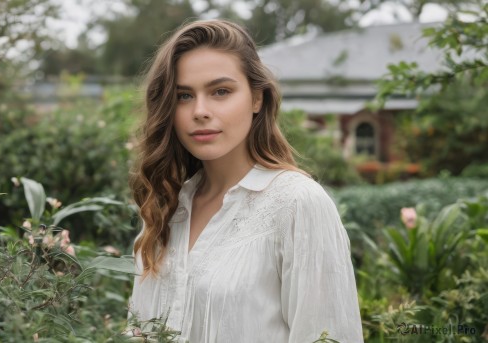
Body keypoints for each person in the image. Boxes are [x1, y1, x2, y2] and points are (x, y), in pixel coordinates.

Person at [127, 19, 363, 343]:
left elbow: (329, 335)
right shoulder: (163, 210)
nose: (200, 110)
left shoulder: (297, 203)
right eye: (183, 96)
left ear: (256, 98)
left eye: (220, 91)